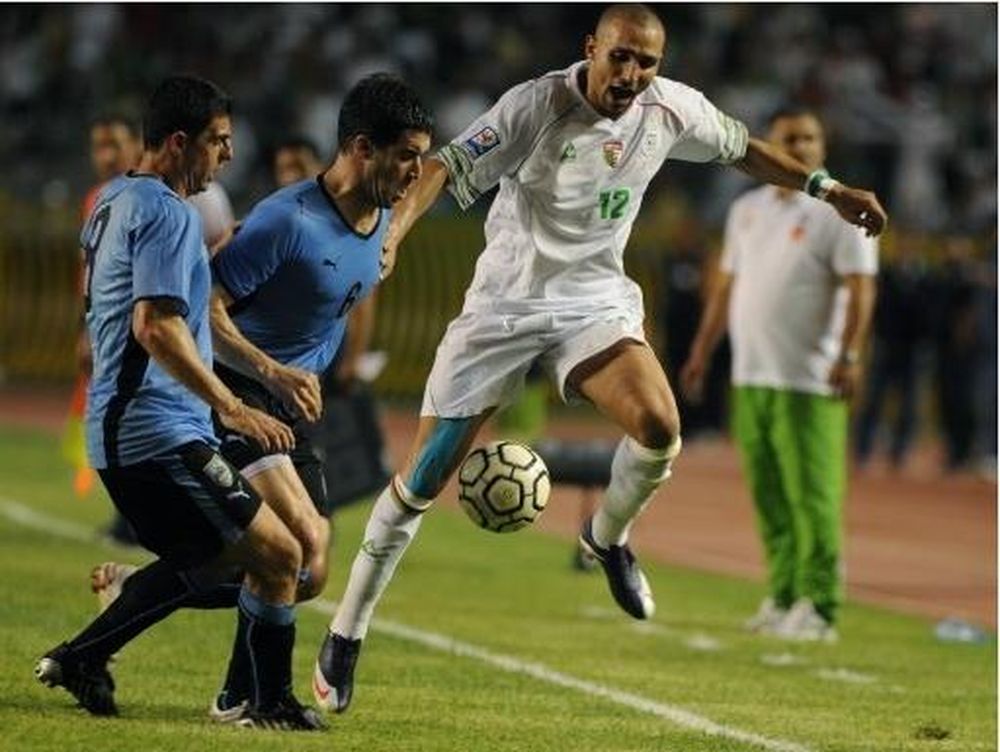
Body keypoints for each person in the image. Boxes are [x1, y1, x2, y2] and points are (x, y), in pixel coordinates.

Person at [314, 3, 886, 713]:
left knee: (658, 428)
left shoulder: (672, 110)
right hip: (506, 305)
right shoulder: (536, 104)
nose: (633, 74)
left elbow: (744, 149)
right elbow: (445, 165)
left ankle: (606, 537)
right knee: (423, 480)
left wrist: (826, 189)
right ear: (592, 49)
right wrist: (395, 232)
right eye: (620, 57)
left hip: (593, 301)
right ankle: (347, 632)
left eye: (646, 62)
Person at [89, 73, 433, 720]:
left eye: (421, 155)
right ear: (363, 148)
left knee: (311, 572)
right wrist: (268, 371)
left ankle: (149, 603)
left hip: (294, 404)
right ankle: (252, 699)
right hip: (243, 390)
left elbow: (436, 180)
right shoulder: (287, 220)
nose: (417, 170)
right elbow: (206, 304)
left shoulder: (383, 217)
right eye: (406, 155)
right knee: (293, 542)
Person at [34, 75, 326, 731]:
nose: (226, 157)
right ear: (177, 142)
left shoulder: (116, 199)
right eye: (218, 142)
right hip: (157, 433)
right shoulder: (167, 211)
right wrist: (233, 406)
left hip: (128, 430)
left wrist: (262, 373)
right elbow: (157, 326)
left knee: (220, 561)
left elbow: (168, 309)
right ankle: (266, 702)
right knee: (284, 560)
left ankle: (85, 654)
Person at [680, 106, 879, 642]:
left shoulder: (841, 212)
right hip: (751, 375)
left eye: (812, 137)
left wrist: (851, 355)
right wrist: (702, 349)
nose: (804, 146)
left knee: (812, 496)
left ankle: (822, 606)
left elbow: (862, 289)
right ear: (772, 145)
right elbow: (724, 286)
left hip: (809, 380)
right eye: (792, 138)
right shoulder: (746, 209)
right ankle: (786, 592)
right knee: (768, 493)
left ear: (824, 146)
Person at [854, 230, 932, 470]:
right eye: (903, 244)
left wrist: (925, 340)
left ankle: (900, 453)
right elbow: (876, 307)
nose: (906, 249)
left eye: (911, 244)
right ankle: (863, 451)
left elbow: (932, 313)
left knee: (909, 405)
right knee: (874, 400)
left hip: (914, 349)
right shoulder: (885, 275)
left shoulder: (927, 278)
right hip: (887, 344)